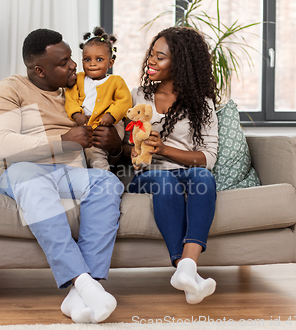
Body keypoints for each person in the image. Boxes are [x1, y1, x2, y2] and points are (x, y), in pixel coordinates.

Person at [0, 28, 124, 323]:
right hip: (23, 171)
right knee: (33, 183)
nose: (74, 65)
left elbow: (109, 137)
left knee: (108, 183)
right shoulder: (11, 90)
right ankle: (85, 283)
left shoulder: (79, 96)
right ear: (39, 70)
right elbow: (1, 145)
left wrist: (115, 146)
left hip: (69, 174)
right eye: (63, 63)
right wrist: (63, 142)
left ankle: (78, 296)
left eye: (72, 58)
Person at [124, 26, 219, 304]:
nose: (151, 61)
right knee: (165, 180)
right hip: (149, 174)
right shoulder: (138, 95)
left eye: (160, 57)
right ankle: (184, 270)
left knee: (203, 178)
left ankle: (187, 268)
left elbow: (207, 157)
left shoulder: (202, 104)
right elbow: (123, 144)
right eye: (152, 54)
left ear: (181, 64)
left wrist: (164, 148)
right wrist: (135, 150)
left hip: (188, 172)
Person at [65, 26, 132, 170]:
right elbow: (70, 98)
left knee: (95, 151)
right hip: (85, 122)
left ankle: (103, 175)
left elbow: (124, 101)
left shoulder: (116, 81)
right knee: (81, 150)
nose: (92, 63)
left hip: (109, 123)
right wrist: (76, 114)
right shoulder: (78, 79)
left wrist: (111, 115)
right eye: (87, 59)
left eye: (99, 59)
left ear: (110, 63)